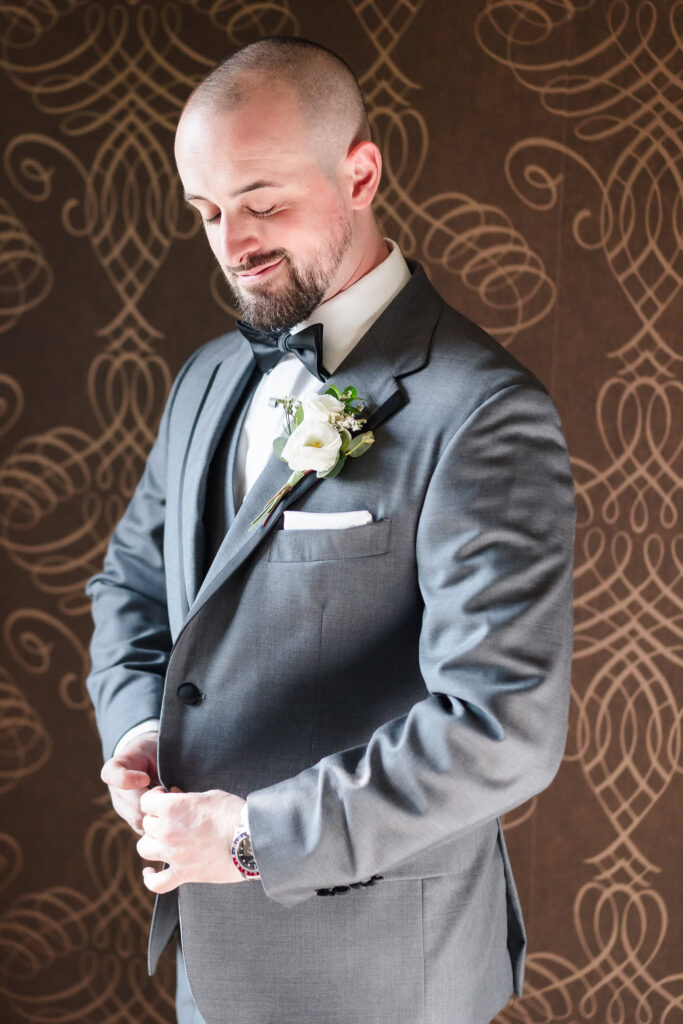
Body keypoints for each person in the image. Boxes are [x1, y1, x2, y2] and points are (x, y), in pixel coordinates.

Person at [86, 36, 575, 1024]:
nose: (233, 242)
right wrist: (141, 727)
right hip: (213, 966)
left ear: (358, 172)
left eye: (262, 200)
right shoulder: (206, 381)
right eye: (208, 211)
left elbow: (502, 727)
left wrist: (247, 837)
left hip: (384, 970)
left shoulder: (480, 410)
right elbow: (131, 582)